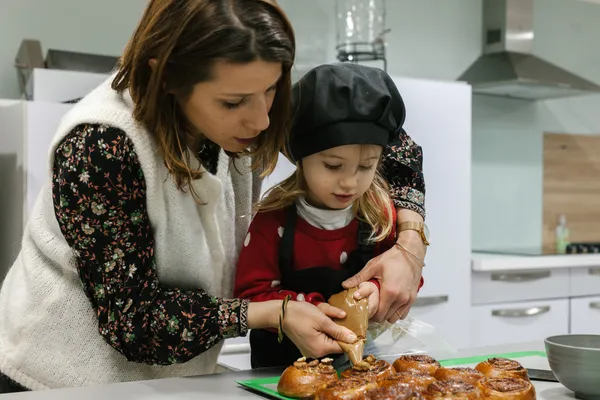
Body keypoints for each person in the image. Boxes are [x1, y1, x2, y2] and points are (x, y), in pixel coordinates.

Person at [0, 0, 427, 392]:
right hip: (57, 380)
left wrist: (408, 246)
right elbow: (135, 321)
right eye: (234, 101)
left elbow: (389, 141)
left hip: (177, 378)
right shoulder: (100, 147)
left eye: (272, 90)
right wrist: (268, 313)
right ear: (167, 77)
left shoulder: (250, 105)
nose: (262, 119)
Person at [234, 63, 425, 368]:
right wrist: (308, 309)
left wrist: (376, 294)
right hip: (278, 368)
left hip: (357, 361)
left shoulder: (380, 215)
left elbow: (403, 276)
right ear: (301, 157)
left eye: (366, 167)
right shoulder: (275, 221)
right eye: (333, 166)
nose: (350, 182)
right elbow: (248, 294)